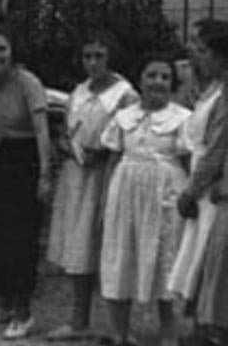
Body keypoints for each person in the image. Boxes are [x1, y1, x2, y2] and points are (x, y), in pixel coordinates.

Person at [46, 32, 139, 341]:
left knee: (107, 248)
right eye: (87, 56)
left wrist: (105, 152)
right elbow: (66, 129)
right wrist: (65, 144)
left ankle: (118, 327)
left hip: (106, 175)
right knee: (78, 248)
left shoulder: (125, 94)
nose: (93, 62)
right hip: (76, 176)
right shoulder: (80, 90)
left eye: (99, 56)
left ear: (110, 57)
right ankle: (78, 320)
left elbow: (131, 136)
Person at [98, 56, 190, 346]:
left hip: (165, 194)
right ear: (140, 80)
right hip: (125, 193)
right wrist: (104, 202)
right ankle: (120, 332)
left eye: (164, 77)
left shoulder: (183, 118)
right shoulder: (124, 117)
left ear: (172, 84)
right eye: (151, 75)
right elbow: (112, 160)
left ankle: (168, 333)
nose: (157, 82)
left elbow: (189, 163)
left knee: (165, 257)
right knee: (120, 255)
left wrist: (190, 201)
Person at [0, 27, 52, 340]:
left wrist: (44, 175)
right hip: (1, 160)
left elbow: (42, 130)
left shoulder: (28, 83)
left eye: (1, 49)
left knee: (22, 238)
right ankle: (2, 301)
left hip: (28, 158)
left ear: (12, 51)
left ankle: (24, 312)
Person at [171, 20, 228, 345]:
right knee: (201, 261)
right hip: (208, 188)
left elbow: (217, 148)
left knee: (214, 261)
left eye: (203, 49)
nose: (195, 53)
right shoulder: (212, 90)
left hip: (215, 191)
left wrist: (191, 191)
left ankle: (213, 331)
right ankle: (204, 327)